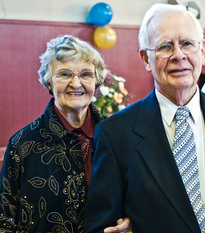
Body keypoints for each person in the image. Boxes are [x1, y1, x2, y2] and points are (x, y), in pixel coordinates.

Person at [84, 3, 205, 233]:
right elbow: (99, 226)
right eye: (165, 46)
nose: (178, 55)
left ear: (201, 50)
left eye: (187, 43)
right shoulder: (116, 135)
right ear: (146, 58)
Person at [0, 35, 131, 232]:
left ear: (96, 82)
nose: (76, 83)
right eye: (64, 74)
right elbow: (5, 219)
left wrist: (130, 222)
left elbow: (137, 198)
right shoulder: (22, 144)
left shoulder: (118, 136)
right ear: (49, 83)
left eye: (86, 74)